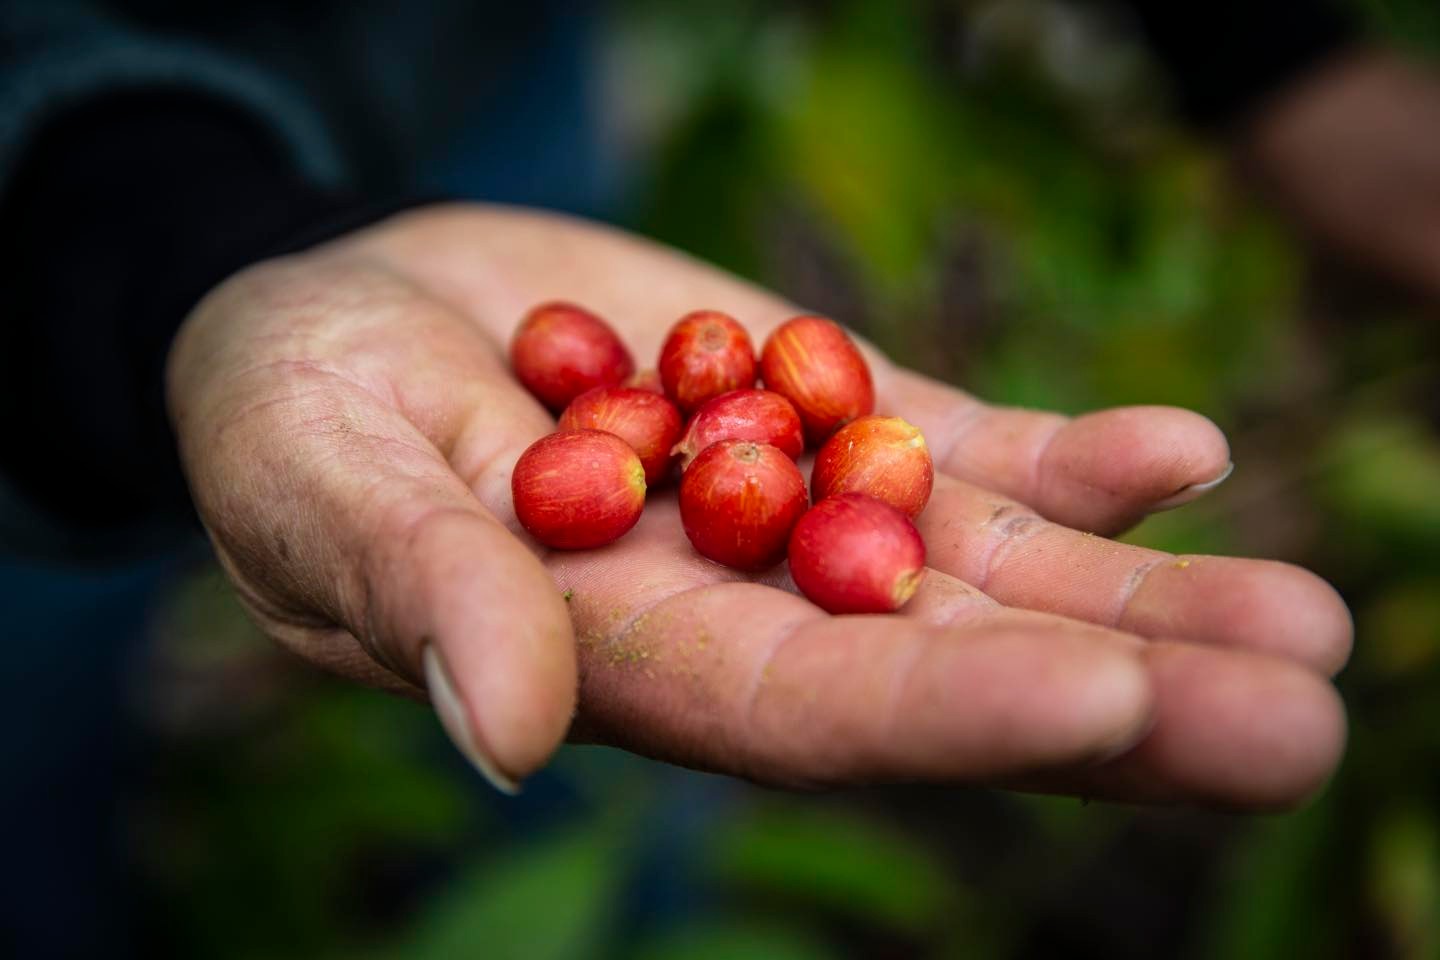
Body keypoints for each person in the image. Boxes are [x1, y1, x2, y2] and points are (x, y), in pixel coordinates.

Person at [5, 0, 1382, 815]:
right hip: (71, 213)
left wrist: (1260, 47)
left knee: (588, 721)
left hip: (469, 63)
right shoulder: (698, 435)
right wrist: (145, 231)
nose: (729, 419)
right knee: (41, 722)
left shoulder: (732, 429)